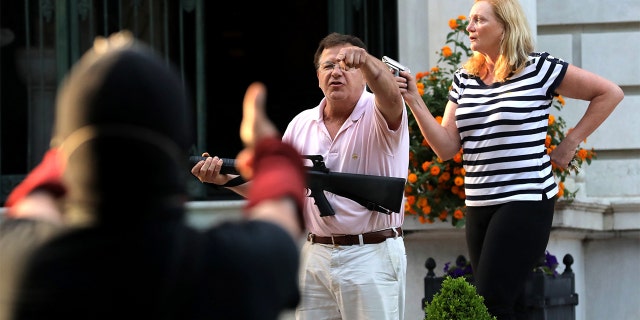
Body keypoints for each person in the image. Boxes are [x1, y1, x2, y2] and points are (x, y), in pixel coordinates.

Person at [10, 31, 307, 320]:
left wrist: (66, 149)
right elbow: (280, 212)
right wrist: (271, 152)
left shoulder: (21, 264)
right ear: (178, 145)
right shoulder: (228, 267)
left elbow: (34, 199)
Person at [394, 0, 624, 319]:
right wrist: (414, 99)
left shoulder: (539, 67)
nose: (469, 27)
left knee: (490, 302)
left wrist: (571, 141)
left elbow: (610, 93)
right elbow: (446, 147)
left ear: (504, 26)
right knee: (509, 304)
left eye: (479, 20)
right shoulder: (464, 78)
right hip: (478, 202)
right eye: (469, 20)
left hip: (525, 199)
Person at [192, 32, 410, 319]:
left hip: (371, 254)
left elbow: (392, 95)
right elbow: (280, 188)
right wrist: (224, 180)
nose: (337, 72)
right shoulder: (301, 123)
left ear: (364, 75)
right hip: (314, 254)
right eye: (329, 66)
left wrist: (368, 62)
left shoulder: (380, 111)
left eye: (347, 65)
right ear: (318, 77)